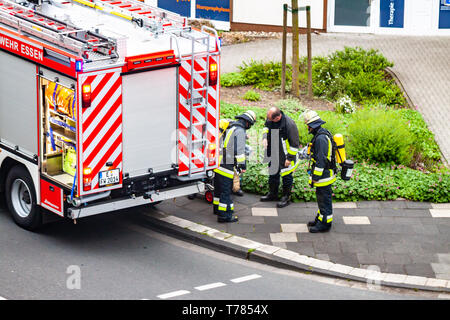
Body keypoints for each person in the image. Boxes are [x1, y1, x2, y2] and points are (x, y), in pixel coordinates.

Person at [213, 110, 256, 222]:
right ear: (247, 123)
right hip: (227, 165)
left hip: (219, 162)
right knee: (226, 192)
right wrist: (243, 166)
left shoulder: (231, 127)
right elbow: (240, 152)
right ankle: (224, 216)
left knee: (218, 189)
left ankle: (217, 209)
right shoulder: (240, 131)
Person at [302, 110, 337, 233]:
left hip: (324, 176)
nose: (307, 127)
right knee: (321, 198)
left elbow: (321, 160)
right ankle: (320, 218)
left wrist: (315, 177)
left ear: (312, 126)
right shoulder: (320, 135)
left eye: (307, 125)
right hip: (323, 175)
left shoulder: (321, 139)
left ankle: (325, 224)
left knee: (324, 199)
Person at [260, 106, 300, 208]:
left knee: (286, 176)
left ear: (277, 118)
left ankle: (286, 197)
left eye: (270, 119)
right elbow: (266, 127)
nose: (268, 120)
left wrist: (289, 158)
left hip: (285, 155)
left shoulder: (289, 124)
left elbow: (295, 144)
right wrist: (264, 138)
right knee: (273, 173)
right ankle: (273, 194)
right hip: (274, 152)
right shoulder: (270, 119)